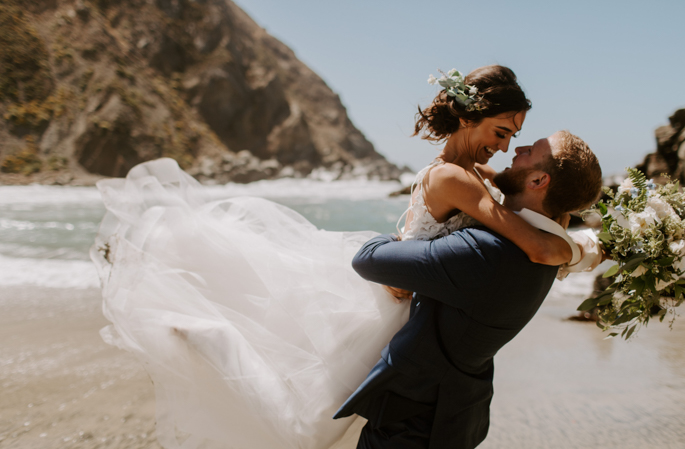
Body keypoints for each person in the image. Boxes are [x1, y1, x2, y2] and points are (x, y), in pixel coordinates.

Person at [90, 66, 598, 449]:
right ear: (468, 117)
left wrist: (569, 244)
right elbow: (515, 233)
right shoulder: (456, 178)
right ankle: (215, 336)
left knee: (316, 415)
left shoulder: (472, 176)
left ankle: (217, 338)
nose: (505, 148)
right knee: (310, 423)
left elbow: (502, 228)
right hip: (394, 298)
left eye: (513, 139)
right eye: (502, 133)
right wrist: (558, 246)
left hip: (408, 304)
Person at [333, 130, 603, 449]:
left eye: (530, 150)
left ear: (539, 181)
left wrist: (408, 238)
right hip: (455, 414)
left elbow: (368, 259)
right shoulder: (553, 248)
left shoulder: (488, 251)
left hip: (415, 424)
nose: (517, 148)